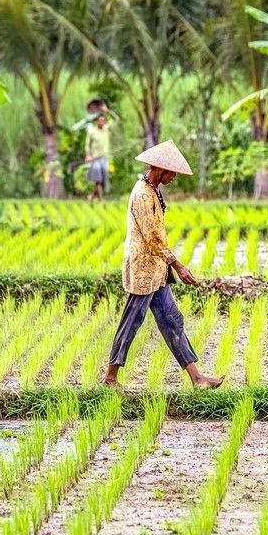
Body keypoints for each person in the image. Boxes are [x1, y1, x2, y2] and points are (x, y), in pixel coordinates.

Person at [103, 140, 224, 389]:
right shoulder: (142, 195)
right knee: (131, 322)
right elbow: (153, 239)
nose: (174, 178)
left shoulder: (154, 191)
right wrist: (179, 266)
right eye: (172, 173)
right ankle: (110, 377)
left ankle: (197, 378)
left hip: (156, 271)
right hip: (142, 270)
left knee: (171, 320)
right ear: (159, 169)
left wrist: (169, 266)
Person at [84, 106, 111, 203]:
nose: (102, 122)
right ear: (97, 121)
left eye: (103, 120)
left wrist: (107, 111)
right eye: (100, 120)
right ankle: (101, 200)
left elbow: (116, 119)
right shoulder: (92, 131)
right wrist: (88, 155)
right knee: (98, 179)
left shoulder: (106, 129)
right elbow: (87, 144)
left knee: (104, 181)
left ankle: (91, 196)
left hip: (105, 158)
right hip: (95, 159)